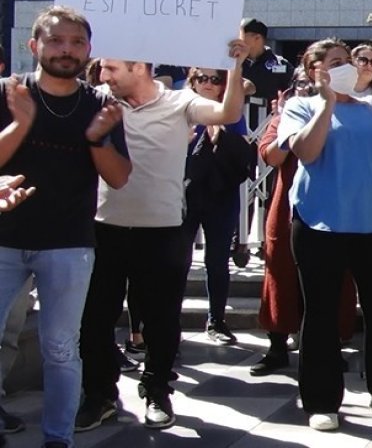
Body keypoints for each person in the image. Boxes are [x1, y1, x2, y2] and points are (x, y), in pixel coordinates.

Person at [76, 42, 246, 433]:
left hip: (163, 230)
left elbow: (229, 112)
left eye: (111, 68)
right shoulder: (98, 101)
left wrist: (233, 66)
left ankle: (157, 391)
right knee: (96, 318)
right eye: (101, 68)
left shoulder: (180, 101)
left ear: (139, 67)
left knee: (162, 318)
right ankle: (99, 395)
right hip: (104, 227)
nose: (103, 76)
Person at [0, 6, 131, 446]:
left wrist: (95, 138)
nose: (66, 50)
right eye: (56, 40)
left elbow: (118, 177)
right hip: (4, 239)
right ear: (34, 46)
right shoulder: (9, 92)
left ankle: (59, 437)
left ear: (89, 50)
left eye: (77, 42)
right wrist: (21, 122)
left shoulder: (101, 104)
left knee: (60, 349)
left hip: (69, 244)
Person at [278, 38, 372, 431]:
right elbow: (306, 152)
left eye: (348, 61)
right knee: (319, 315)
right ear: (314, 69)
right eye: (336, 62)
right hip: (320, 224)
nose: (347, 67)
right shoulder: (299, 105)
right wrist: (326, 103)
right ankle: (322, 401)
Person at [248, 69, 359, 377]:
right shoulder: (287, 115)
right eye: (303, 84)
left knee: (334, 280)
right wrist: (287, 121)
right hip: (289, 207)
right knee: (280, 276)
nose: (310, 88)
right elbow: (271, 157)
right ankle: (277, 346)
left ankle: (330, 347)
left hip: (335, 207)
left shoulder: (346, 113)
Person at [181, 67, 256, 346]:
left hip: (220, 193)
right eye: (202, 78)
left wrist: (220, 136)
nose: (209, 84)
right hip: (184, 193)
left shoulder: (232, 112)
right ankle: (168, 323)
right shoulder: (181, 108)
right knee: (180, 260)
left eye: (216, 79)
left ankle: (216, 319)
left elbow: (241, 154)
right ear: (193, 81)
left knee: (217, 260)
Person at [239, 17, 292, 128]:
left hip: (268, 127)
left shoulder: (280, 64)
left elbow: (291, 93)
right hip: (238, 126)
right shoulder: (233, 63)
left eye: (240, 34)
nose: (236, 38)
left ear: (257, 38)